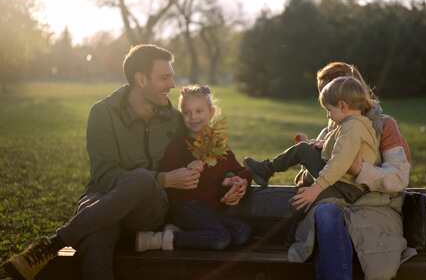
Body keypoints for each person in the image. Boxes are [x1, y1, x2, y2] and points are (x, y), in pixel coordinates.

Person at [0, 44, 201, 280]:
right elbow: (104, 175)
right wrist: (163, 178)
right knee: (98, 236)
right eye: (164, 77)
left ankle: (54, 244)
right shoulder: (103, 113)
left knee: (142, 180)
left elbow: (205, 154)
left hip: (150, 210)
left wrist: (232, 176)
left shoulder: (175, 120)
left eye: (171, 77)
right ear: (141, 79)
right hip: (104, 198)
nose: (172, 85)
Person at [286, 62, 412, 280]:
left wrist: (359, 168)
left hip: (375, 209)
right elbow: (311, 184)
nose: (331, 109)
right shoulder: (330, 131)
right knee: (326, 214)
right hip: (333, 206)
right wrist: (310, 157)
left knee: (345, 232)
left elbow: (399, 178)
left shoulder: (384, 126)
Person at [135, 84, 252, 252]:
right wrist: (187, 168)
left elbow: (240, 170)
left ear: (210, 112)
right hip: (185, 208)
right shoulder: (178, 145)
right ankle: (161, 239)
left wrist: (239, 181)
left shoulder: (217, 145)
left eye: (199, 111)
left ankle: (192, 234)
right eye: (187, 112)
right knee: (220, 238)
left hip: (211, 210)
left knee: (242, 232)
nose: (193, 117)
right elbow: (166, 173)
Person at [244, 76, 379, 207]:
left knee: (303, 154)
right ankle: (266, 170)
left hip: (346, 186)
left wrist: (316, 189)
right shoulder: (355, 124)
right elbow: (342, 147)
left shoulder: (352, 128)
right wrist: (325, 145)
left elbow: (340, 162)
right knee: (306, 149)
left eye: (329, 110)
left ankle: (267, 170)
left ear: (343, 106)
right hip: (344, 182)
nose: (328, 115)